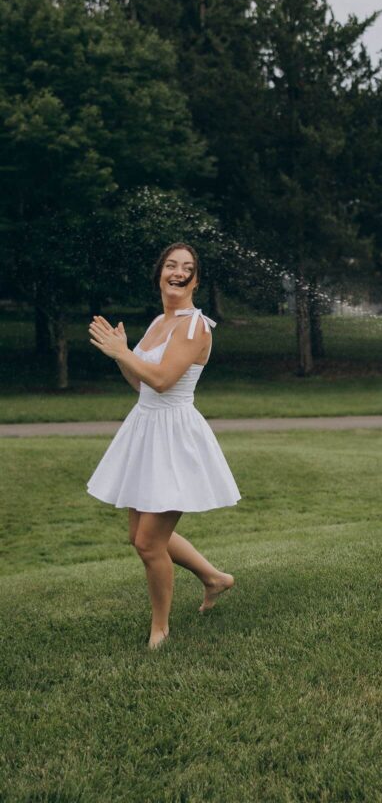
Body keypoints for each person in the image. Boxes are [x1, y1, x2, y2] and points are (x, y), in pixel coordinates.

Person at [87, 242, 240, 649]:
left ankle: (161, 628)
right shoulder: (159, 321)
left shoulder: (195, 326)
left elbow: (162, 380)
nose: (178, 271)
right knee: (141, 534)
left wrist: (123, 351)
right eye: (171, 265)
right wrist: (121, 357)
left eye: (187, 267)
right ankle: (214, 578)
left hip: (176, 437)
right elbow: (140, 383)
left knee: (148, 542)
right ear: (160, 273)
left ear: (196, 279)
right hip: (145, 430)